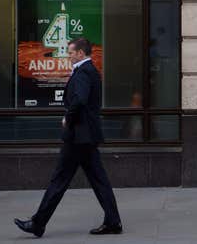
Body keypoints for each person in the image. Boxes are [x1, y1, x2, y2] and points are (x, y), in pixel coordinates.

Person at [14, 38, 122, 237]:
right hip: (86, 136)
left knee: (60, 179)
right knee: (99, 180)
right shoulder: (89, 71)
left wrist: (67, 118)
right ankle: (113, 222)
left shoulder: (83, 73)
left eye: (71, 52)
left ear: (81, 53)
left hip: (79, 136)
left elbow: (80, 99)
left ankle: (38, 223)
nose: (68, 55)